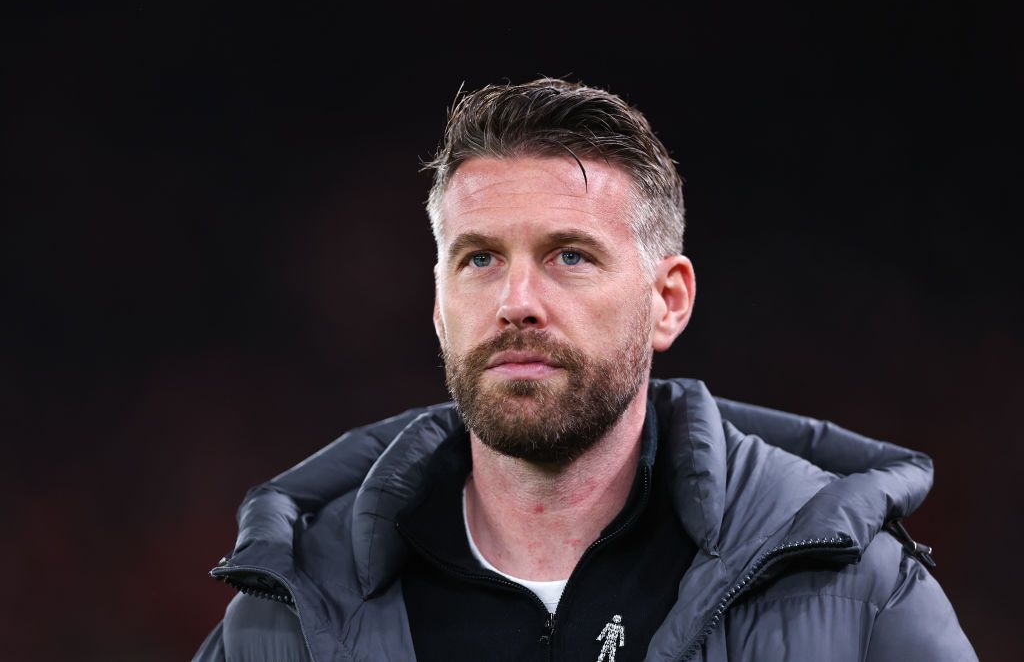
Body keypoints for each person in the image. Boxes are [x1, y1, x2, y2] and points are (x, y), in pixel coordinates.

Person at [193, 79, 976, 661]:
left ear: (667, 301)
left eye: (570, 255)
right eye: (480, 259)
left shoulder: (857, 592)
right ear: (438, 304)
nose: (516, 301)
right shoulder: (286, 614)